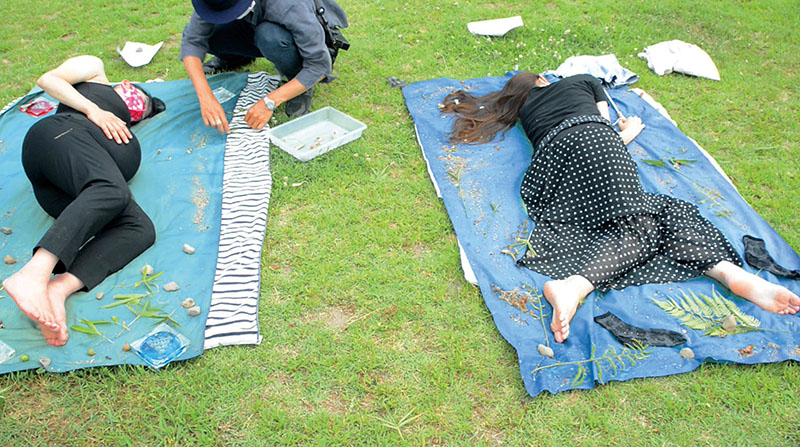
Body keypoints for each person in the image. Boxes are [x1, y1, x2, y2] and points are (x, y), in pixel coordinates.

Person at [441, 73, 800, 343]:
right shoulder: (583, 80)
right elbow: (605, 125)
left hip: (549, 171)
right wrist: (632, 128)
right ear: (543, 79)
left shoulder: (524, 111)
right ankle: (575, 286)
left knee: (644, 216)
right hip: (595, 140)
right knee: (646, 220)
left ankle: (725, 272)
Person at [2, 55, 165, 346]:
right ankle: (33, 273)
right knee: (112, 189)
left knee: (139, 228)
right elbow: (48, 79)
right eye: (138, 97)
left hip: (72, 187)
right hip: (60, 137)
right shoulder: (95, 72)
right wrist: (94, 110)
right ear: (125, 84)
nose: (136, 107)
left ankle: (58, 290)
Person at [180, 0, 348, 133]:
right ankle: (236, 58)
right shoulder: (213, 2)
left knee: (269, 36)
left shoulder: (289, 5)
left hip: (292, 36)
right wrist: (206, 97)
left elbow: (319, 65)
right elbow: (192, 41)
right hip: (254, 21)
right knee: (209, 31)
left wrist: (270, 101)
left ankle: (298, 82)